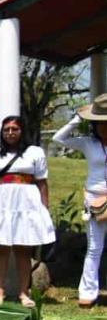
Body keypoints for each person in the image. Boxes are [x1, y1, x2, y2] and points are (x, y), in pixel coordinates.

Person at [0, 116, 55, 307]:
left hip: (26, 204)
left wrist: (44, 208)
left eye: (15, 129)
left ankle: (23, 293)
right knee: (1, 249)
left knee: (23, 249)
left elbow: (42, 181)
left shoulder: (34, 152)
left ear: (22, 131)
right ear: (1, 132)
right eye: (6, 129)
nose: (10, 133)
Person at [54, 95, 107, 307]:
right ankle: (87, 292)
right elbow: (59, 138)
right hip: (95, 199)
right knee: (94, 247)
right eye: (100, 123)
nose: (105, 127)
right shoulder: (88, 143)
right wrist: (77, 119)